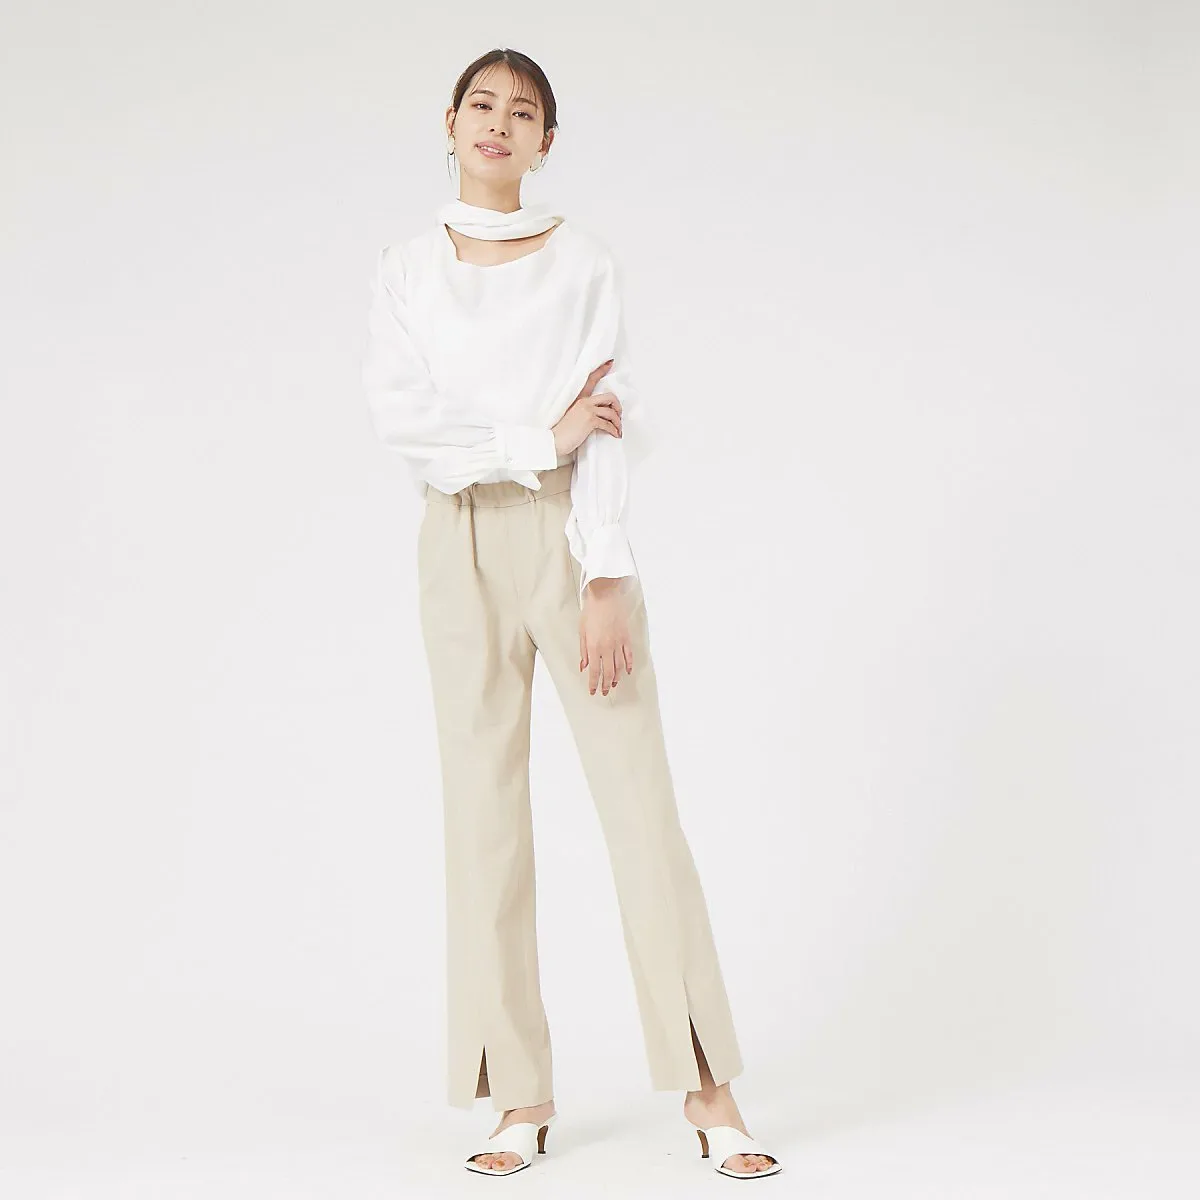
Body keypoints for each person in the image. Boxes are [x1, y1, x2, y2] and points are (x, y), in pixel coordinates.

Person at [360, 47, 782, 1181]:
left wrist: (603, 575)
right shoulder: (405, 270)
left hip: (571, 538)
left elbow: (608, 418)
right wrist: (533, 435)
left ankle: (709, 1087)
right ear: (449, 120)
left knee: (642, 813)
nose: (499, 123)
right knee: (482, 823)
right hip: (455, 544)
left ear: (548, 142)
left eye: (524, 112)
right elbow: (408, 425)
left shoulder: (582, 262)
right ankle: (519, 1095)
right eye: (482, 104)